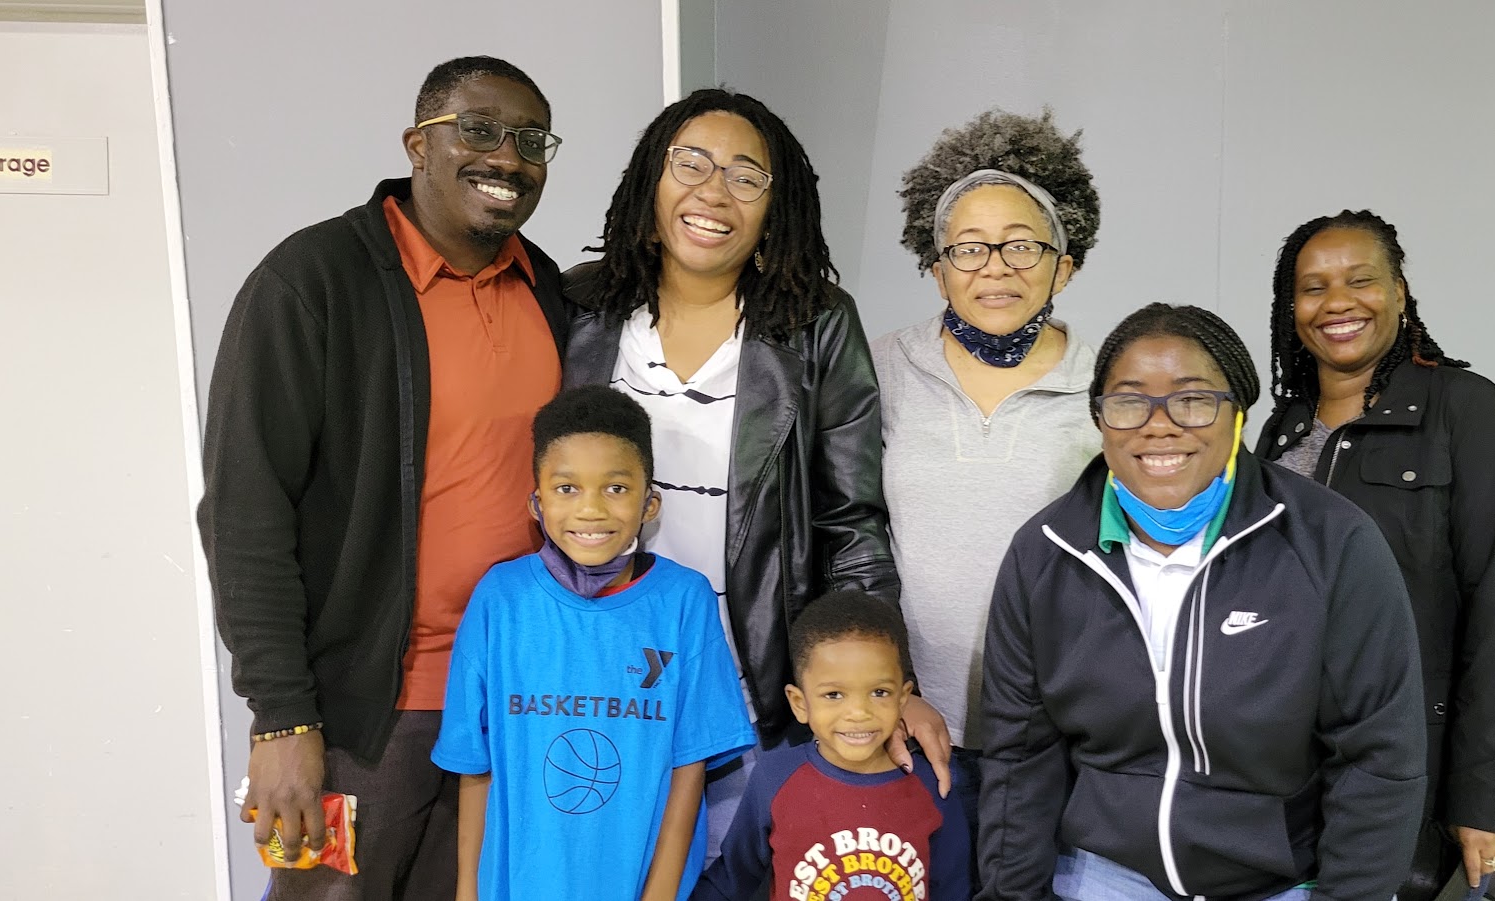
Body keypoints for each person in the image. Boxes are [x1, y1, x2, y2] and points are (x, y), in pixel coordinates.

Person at [199, 56, 569, 900]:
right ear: (417, 144)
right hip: (362, 718)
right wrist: (282, 717)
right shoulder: (313, 280)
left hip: (509, 704)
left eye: (529, 140)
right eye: (478, 130)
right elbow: (244, 512)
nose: (507, 157)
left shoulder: (544, 287)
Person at [560, 88, 949, 848]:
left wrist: (887, 679)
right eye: (691, 163)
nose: (714, 191)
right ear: (651, 180)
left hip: (748, 693)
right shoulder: (579, 306)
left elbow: (851, 522)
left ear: (775, 208)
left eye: (746, 176)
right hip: (593, 682)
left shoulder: (816, 324)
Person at [977, 303, 1427, 901]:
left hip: (1280, 883)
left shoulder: (1332, 543)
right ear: (1100, 418)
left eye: (1192, 400)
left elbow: (1378, 758)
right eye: (1129, 401)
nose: (1159, 425)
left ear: (1238, 413)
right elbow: (1019, 757)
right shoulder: (1045, 553)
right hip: (1103, 876)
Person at [1256, 210, 1495, 901]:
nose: (1337, 303)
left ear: (1400, 291)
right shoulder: (1281, 428)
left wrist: (1482, 796)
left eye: (1360, 281)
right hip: (1287, 771)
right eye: (1313, 287)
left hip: (1415, 768)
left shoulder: (1468, 411)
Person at [873, 109, 1102, 844]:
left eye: (1022, 245)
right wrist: (889, 691)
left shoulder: (1113, 383)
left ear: (1065, 264)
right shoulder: (880, 368)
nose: (995, 267)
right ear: (936, 266)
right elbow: (846, 536)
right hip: (909, 723)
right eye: (969, 248)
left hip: (1060, 729)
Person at [433, 386, 754, 901]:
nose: (590, 509)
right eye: (566, 488)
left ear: (650, 503)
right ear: (536, 502)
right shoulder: (500, 598)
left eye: (616, 488)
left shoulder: (684, 601)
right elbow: (475, 764)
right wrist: (469, 891)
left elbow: (690, 766)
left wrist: (660, 895)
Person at [692, 591, 969, 901]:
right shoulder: (773, 778)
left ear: (903, 698)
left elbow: (953, 890)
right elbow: (730, 882)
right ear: (800, 703)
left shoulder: (934, 784)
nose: (858, 713)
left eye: (879, 692)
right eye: (834, 695)